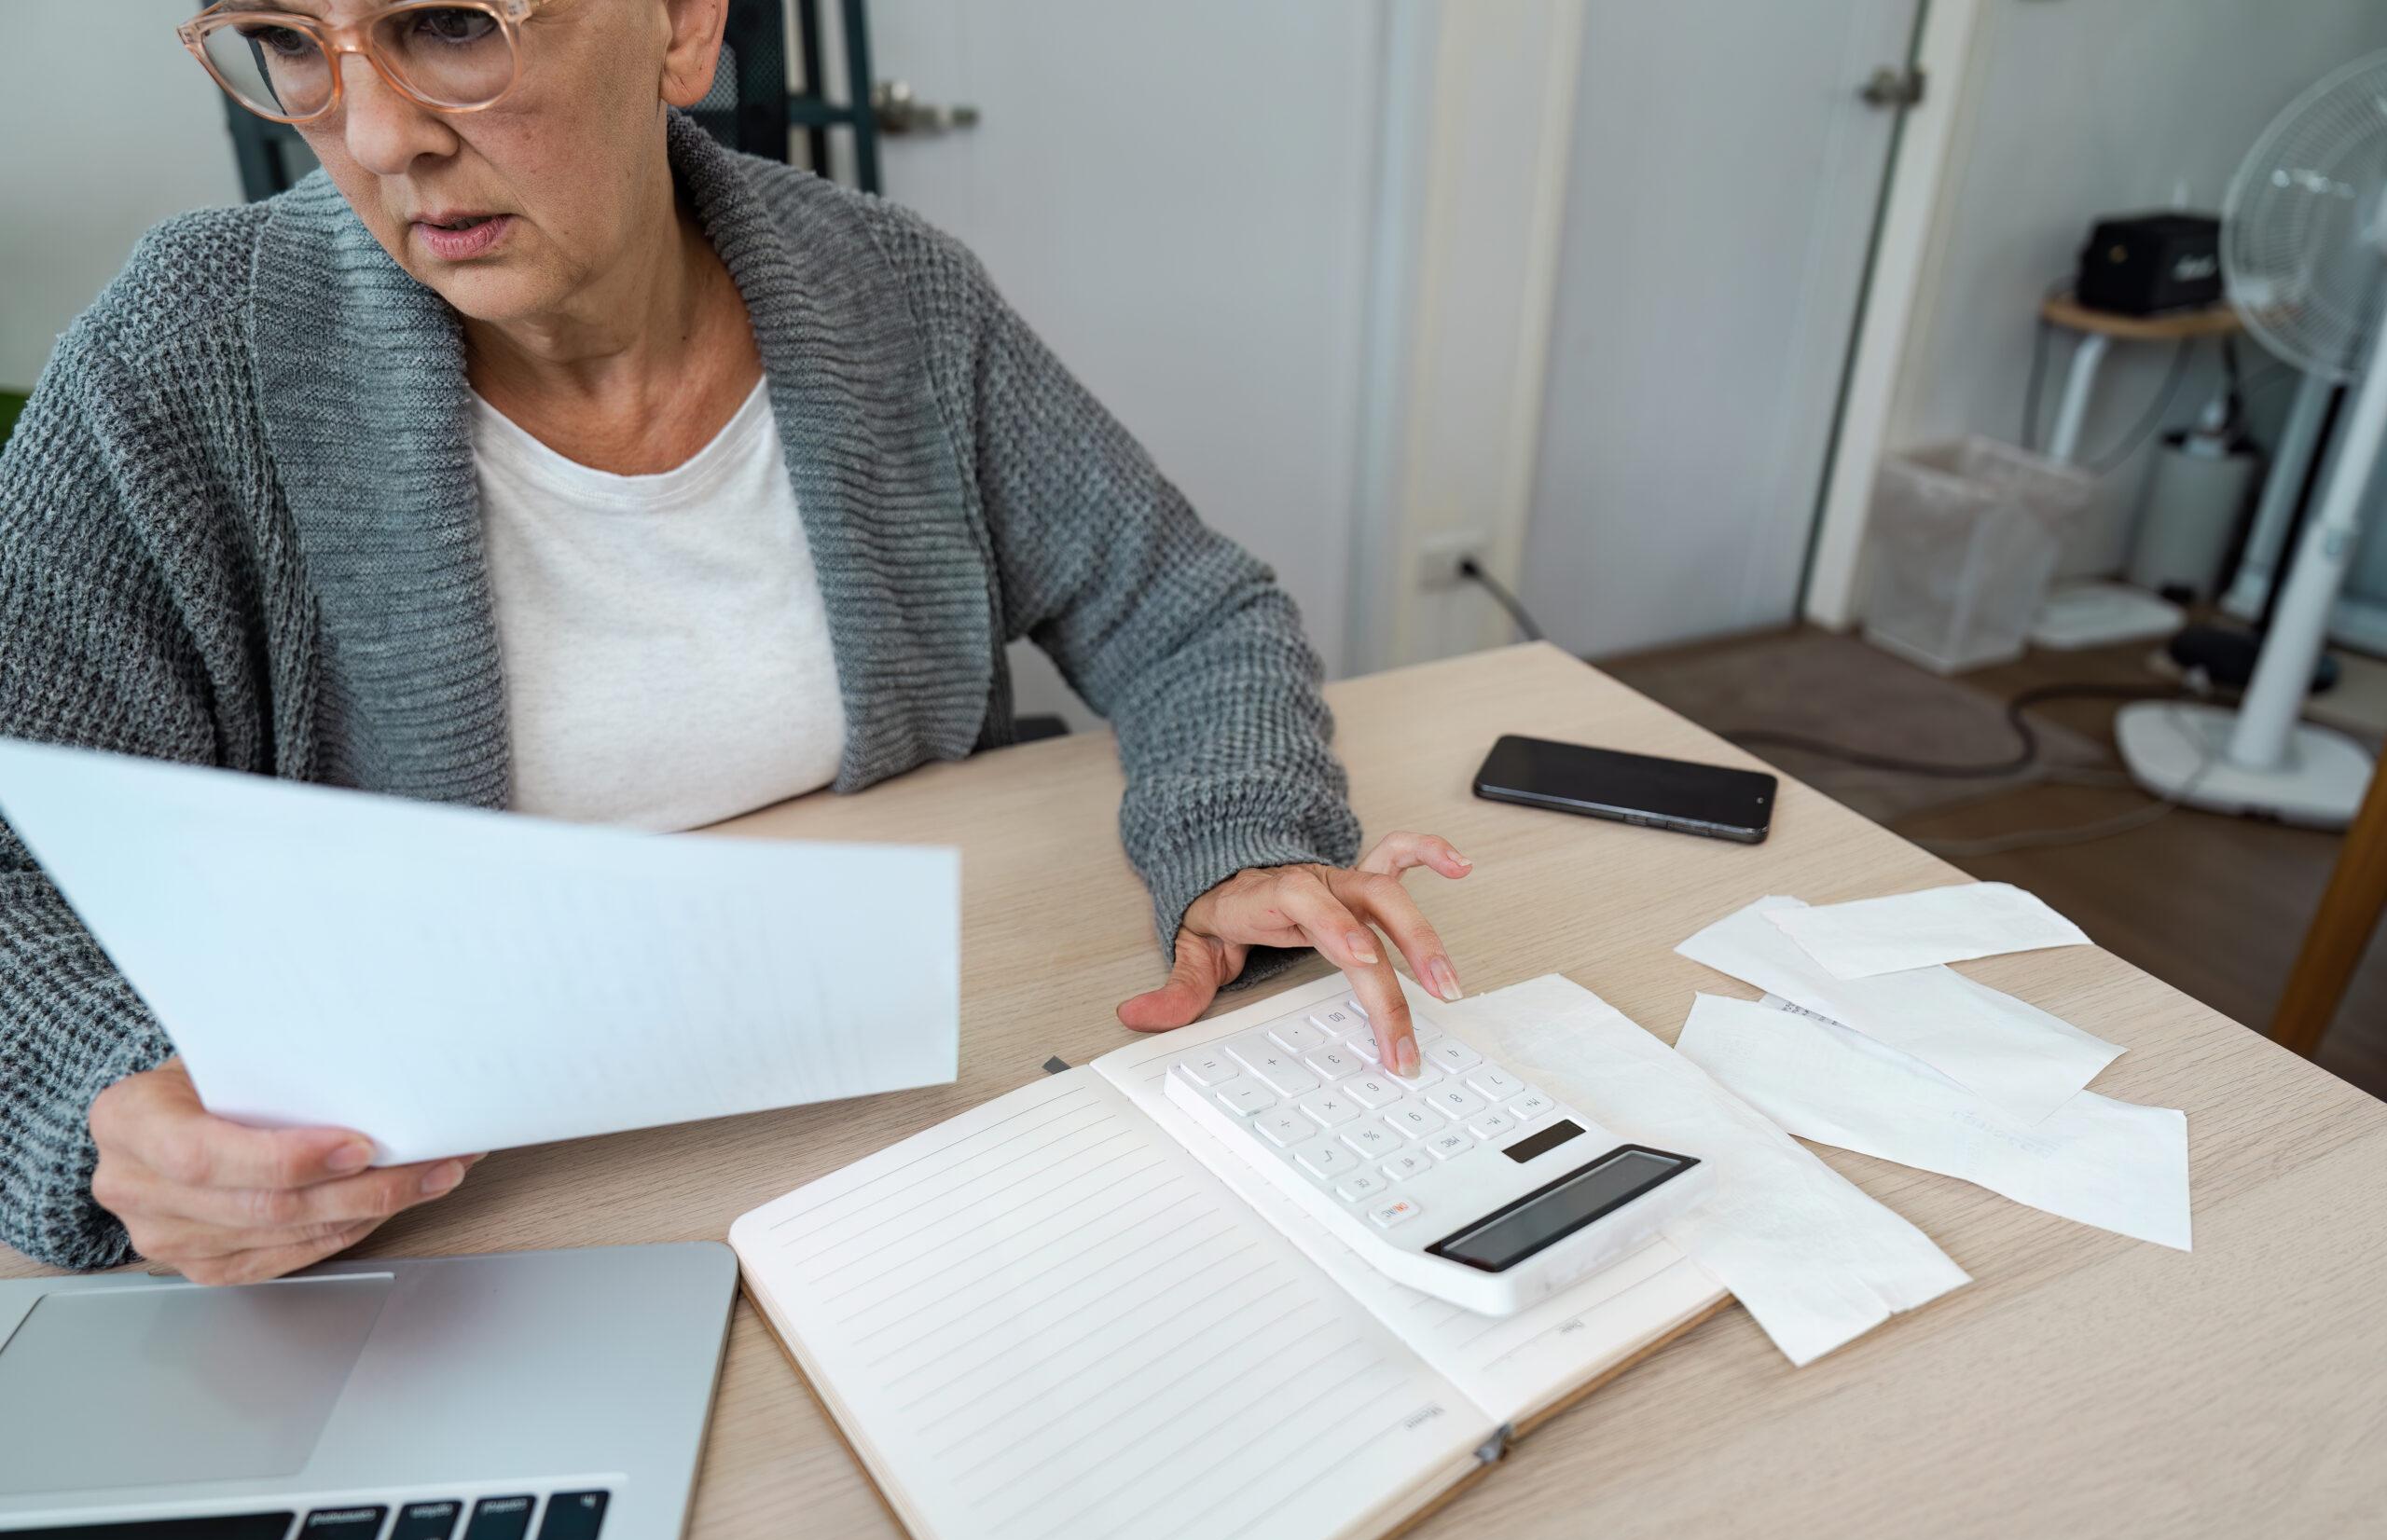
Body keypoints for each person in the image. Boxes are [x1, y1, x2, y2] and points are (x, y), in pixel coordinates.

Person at [0, 0, 1470, 1283]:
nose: (379, 134)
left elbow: (1187, 610)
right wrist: (97, 1100)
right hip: (455, 1240)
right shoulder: (177, 363)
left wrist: (1239, 839)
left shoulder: (888, 296)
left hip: (921, 1147)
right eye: (287, 44)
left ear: (684, 27)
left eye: (448, 25)